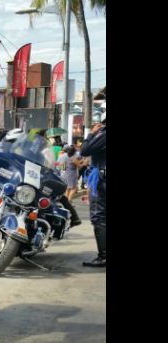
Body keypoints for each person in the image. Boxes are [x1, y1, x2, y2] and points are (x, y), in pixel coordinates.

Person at [79, 112, 106, 267]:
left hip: (102, 180)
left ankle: (103, 256)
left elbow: (85, 150)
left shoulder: (103, 134)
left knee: (99, 217)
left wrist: (90, 134)